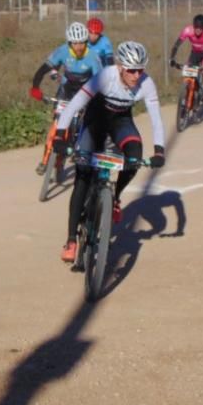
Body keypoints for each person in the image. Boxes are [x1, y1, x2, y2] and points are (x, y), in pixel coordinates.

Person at [51, 41, 166, 263]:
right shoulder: (105, 77)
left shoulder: (147, 84)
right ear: (120, 66)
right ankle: (71, 240)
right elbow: (75, 104)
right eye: (131, 70)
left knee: (134, 156)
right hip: (95, 120)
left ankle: (115, 198)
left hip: (120, 122)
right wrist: (59, 136)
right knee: (83, 176)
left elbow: (156, 119)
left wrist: (159, 150)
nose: (136, 75)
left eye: (140, 70)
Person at [29, 22, 104, 175]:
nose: (78, 47)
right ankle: (45, 161)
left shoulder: (92, 57)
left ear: (86, 42)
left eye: (82, 43)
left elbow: (100, 81)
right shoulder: (62, 52)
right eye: (75, 43)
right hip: (66, 90)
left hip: (85, 91)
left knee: (82, 122)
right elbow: (43, 70)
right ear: (69, 42)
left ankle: (77, 145)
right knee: (57, 123)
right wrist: (35, 87)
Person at [168, 13, 203, 95]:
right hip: (195, 54)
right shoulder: (188, 30)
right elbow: (176, 45)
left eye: (200, 28)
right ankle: (187, 92)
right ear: (193, 26)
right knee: (188, 71)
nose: (198, 30)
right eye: (196, 27)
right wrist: (172, 58)